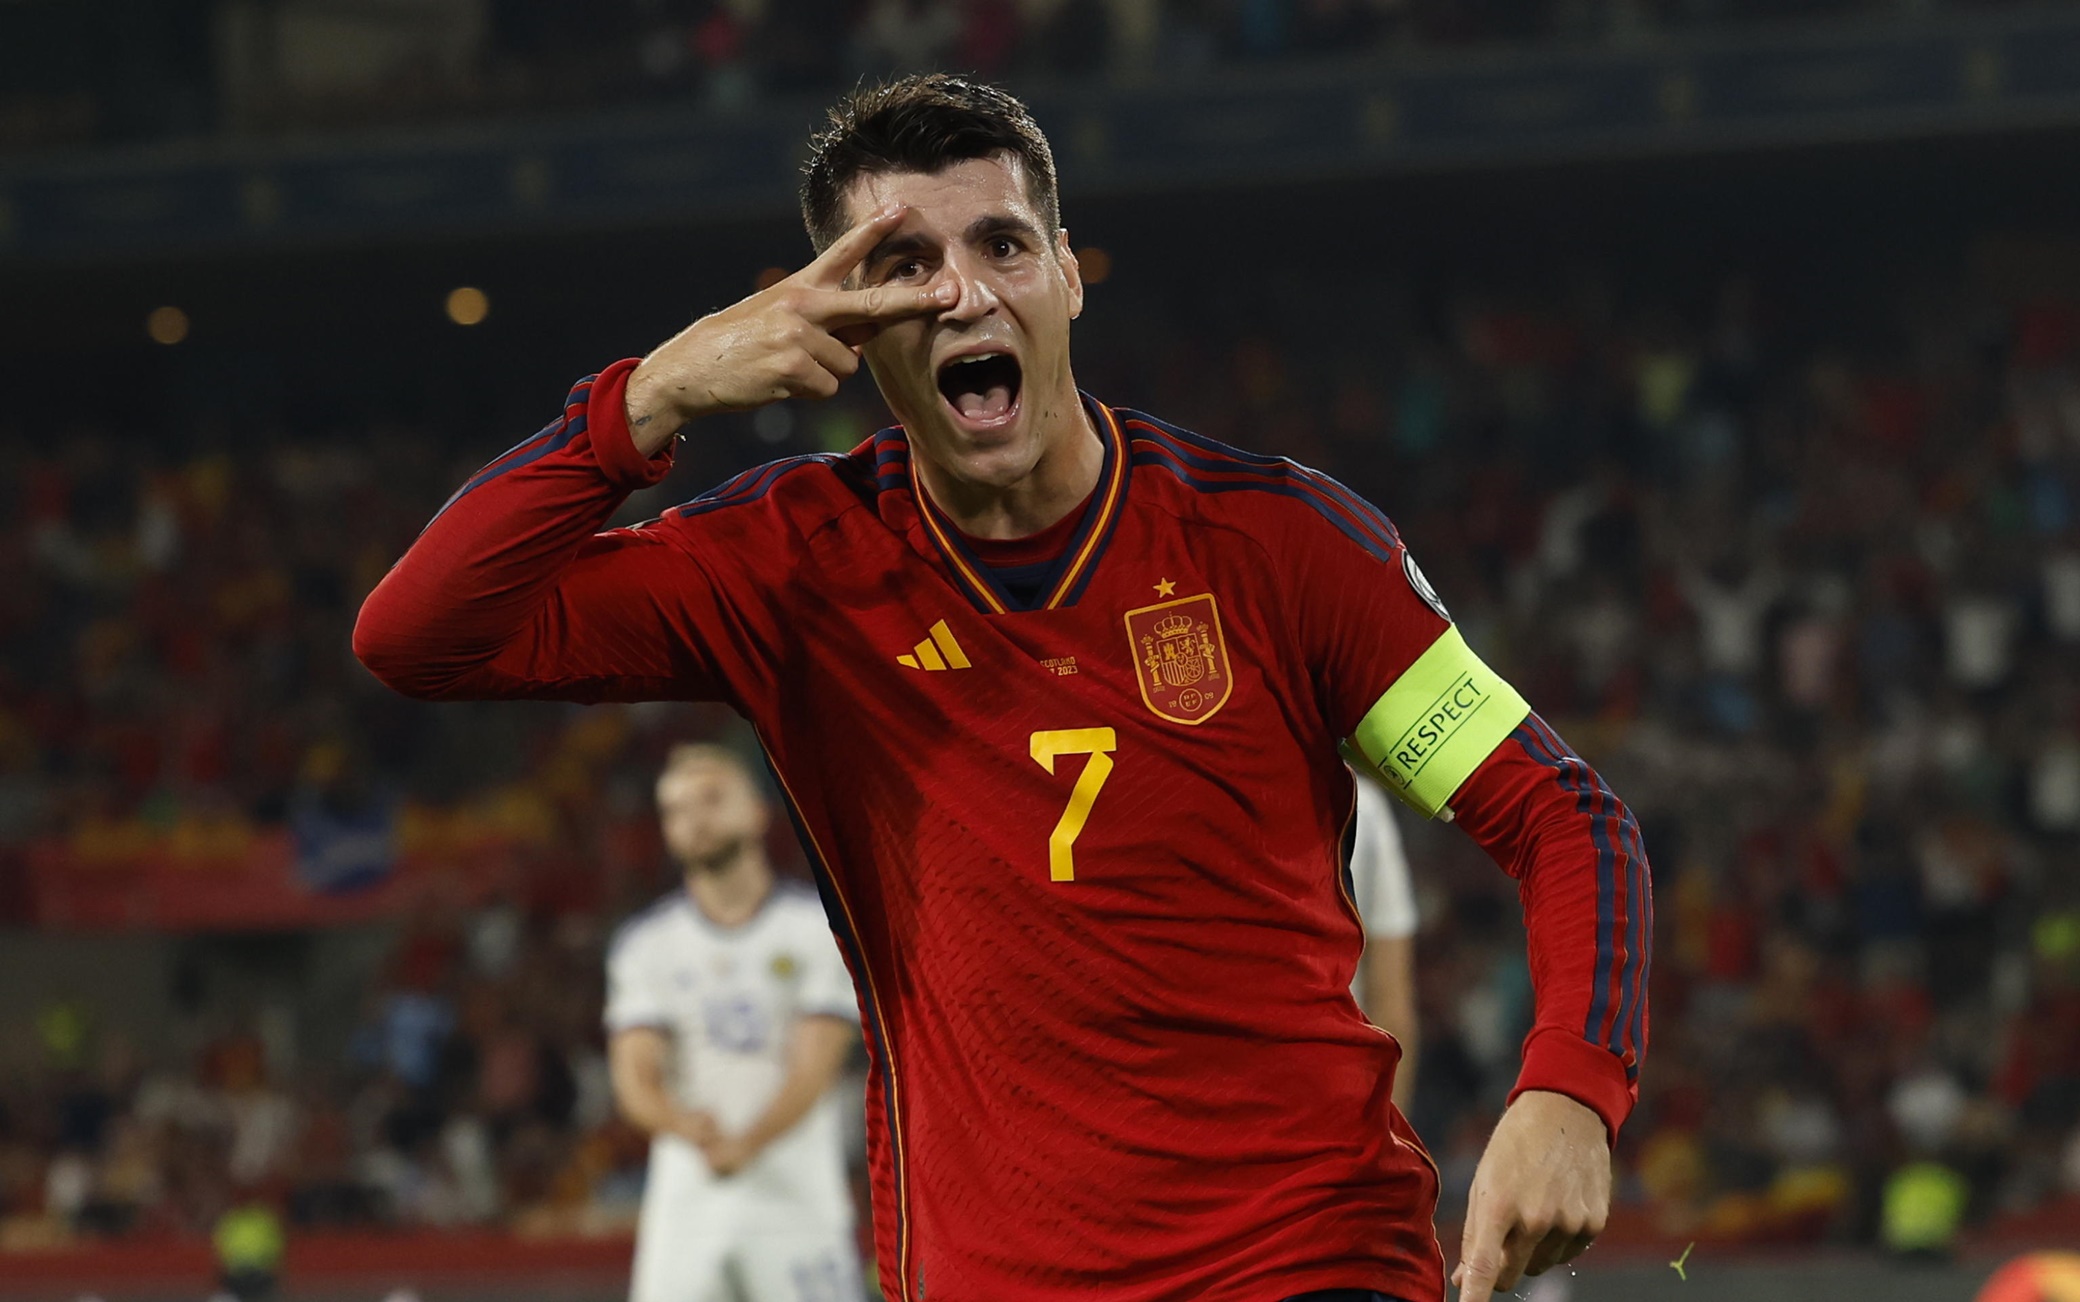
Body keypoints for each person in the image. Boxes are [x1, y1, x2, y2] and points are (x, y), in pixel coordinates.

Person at [355, 73, 1651, 1302]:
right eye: (902, 266)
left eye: (1003, 246)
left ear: (1068, 276)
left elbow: (1560, 817)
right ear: (826, 320)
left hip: (1305, 1261)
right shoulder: (787, 567)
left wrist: (1569, 1089)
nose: (964, 293)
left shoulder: (1281, 543)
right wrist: (653, 395)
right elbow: (419, 636)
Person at [605, 745, 860, 1302]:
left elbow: (816, 1063)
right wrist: (682, 1124)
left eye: (712, 799)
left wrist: (750, 1141)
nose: (695, 819)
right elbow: (634, 1075)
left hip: (796, 1199)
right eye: (676, 810)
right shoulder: (647, 947)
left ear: (757, 811)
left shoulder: (816, 929)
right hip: (687, 1205)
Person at [1348, 774, 1421, 1116]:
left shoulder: (1365, 809)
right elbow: (1391, 1001)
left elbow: (1392, 1002)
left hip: (1203, 1097)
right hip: (1330, 1100)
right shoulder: (1361, 806)